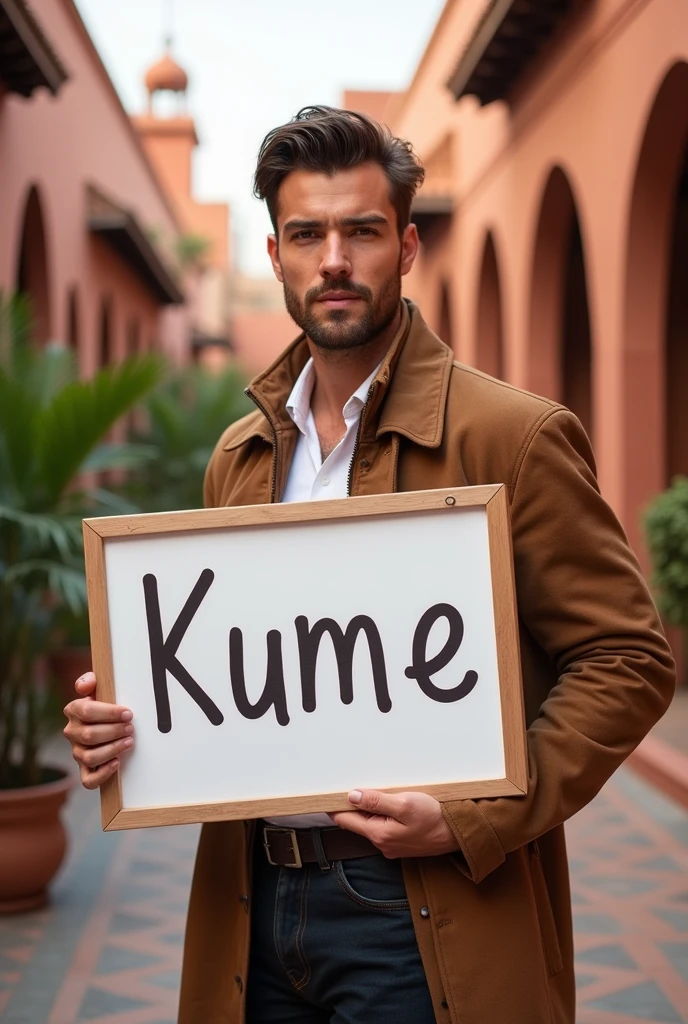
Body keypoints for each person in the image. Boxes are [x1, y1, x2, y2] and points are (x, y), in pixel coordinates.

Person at [63, 106, 675, 1024]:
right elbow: (230, 682)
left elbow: (628, 660)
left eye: (362, 231)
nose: (334, 260)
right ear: (275, 255)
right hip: (253, 907)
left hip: (423, 910)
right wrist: (122, 730)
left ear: (408, 246)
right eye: (307, 234)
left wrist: (477, 816)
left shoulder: (513, 435)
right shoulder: (238, 455)